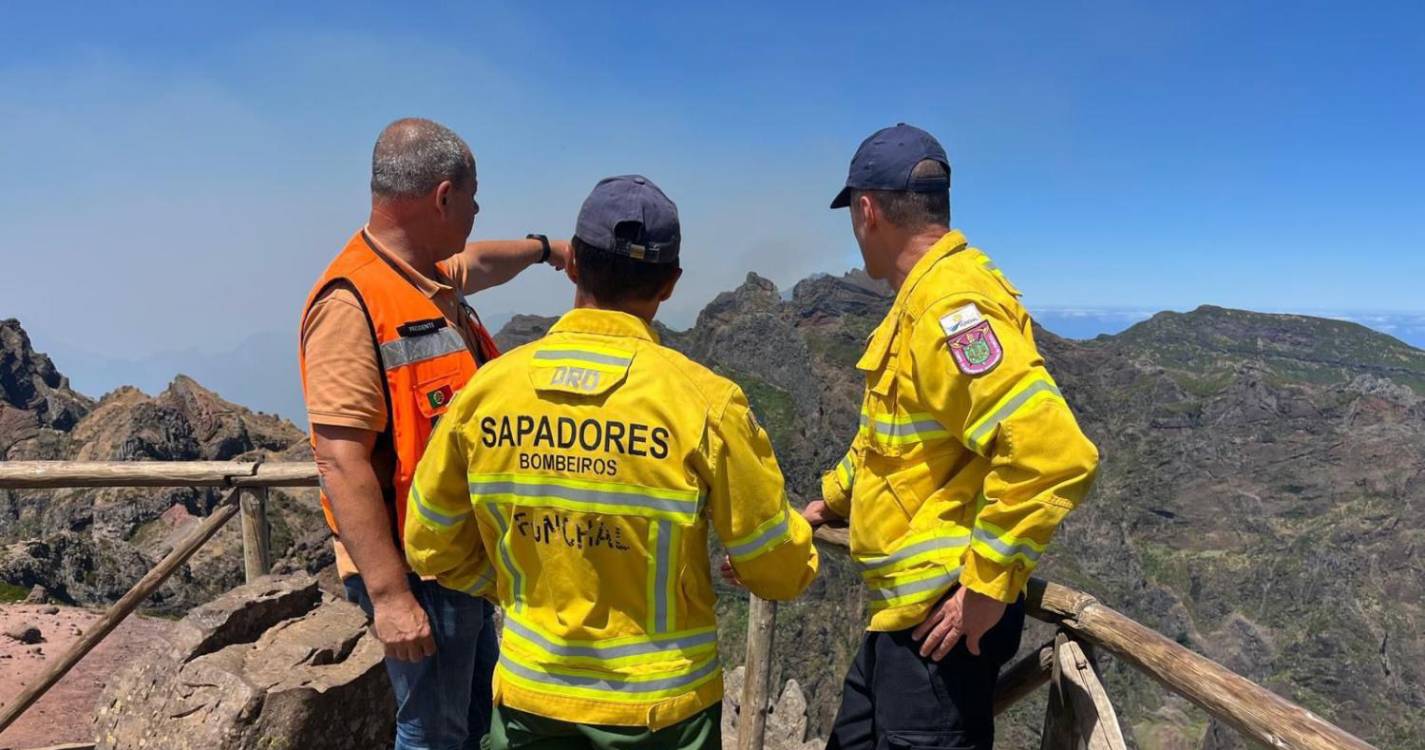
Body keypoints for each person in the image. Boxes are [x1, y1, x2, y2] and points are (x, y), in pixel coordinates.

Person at [403, 174, 819, 749]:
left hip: (530, 702)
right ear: (670, 285)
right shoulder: (705, 403)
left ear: (573, 265)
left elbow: (429, 542)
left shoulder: (486, 392)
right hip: (664, 715)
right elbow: (778, 568)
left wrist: (508, 587)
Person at [807, 124, 1100, 750]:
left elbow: (1054, 454)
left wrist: (989, 585)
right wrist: (833, 500)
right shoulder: (921, 302)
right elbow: (892, 441)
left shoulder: (950, 308)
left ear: (867, 211)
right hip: (906, 620)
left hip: (945, 624)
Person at [298, 117, 571, 750]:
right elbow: (339, 460)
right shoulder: (352, 303)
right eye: (473, 198)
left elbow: (478, 264)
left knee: (470, 717)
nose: (478, 212)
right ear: (443, 196)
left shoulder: (421, 276)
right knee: (434, 732)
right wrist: (392, 597)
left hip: (456, 560)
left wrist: (547, 249)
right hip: (415, 567)